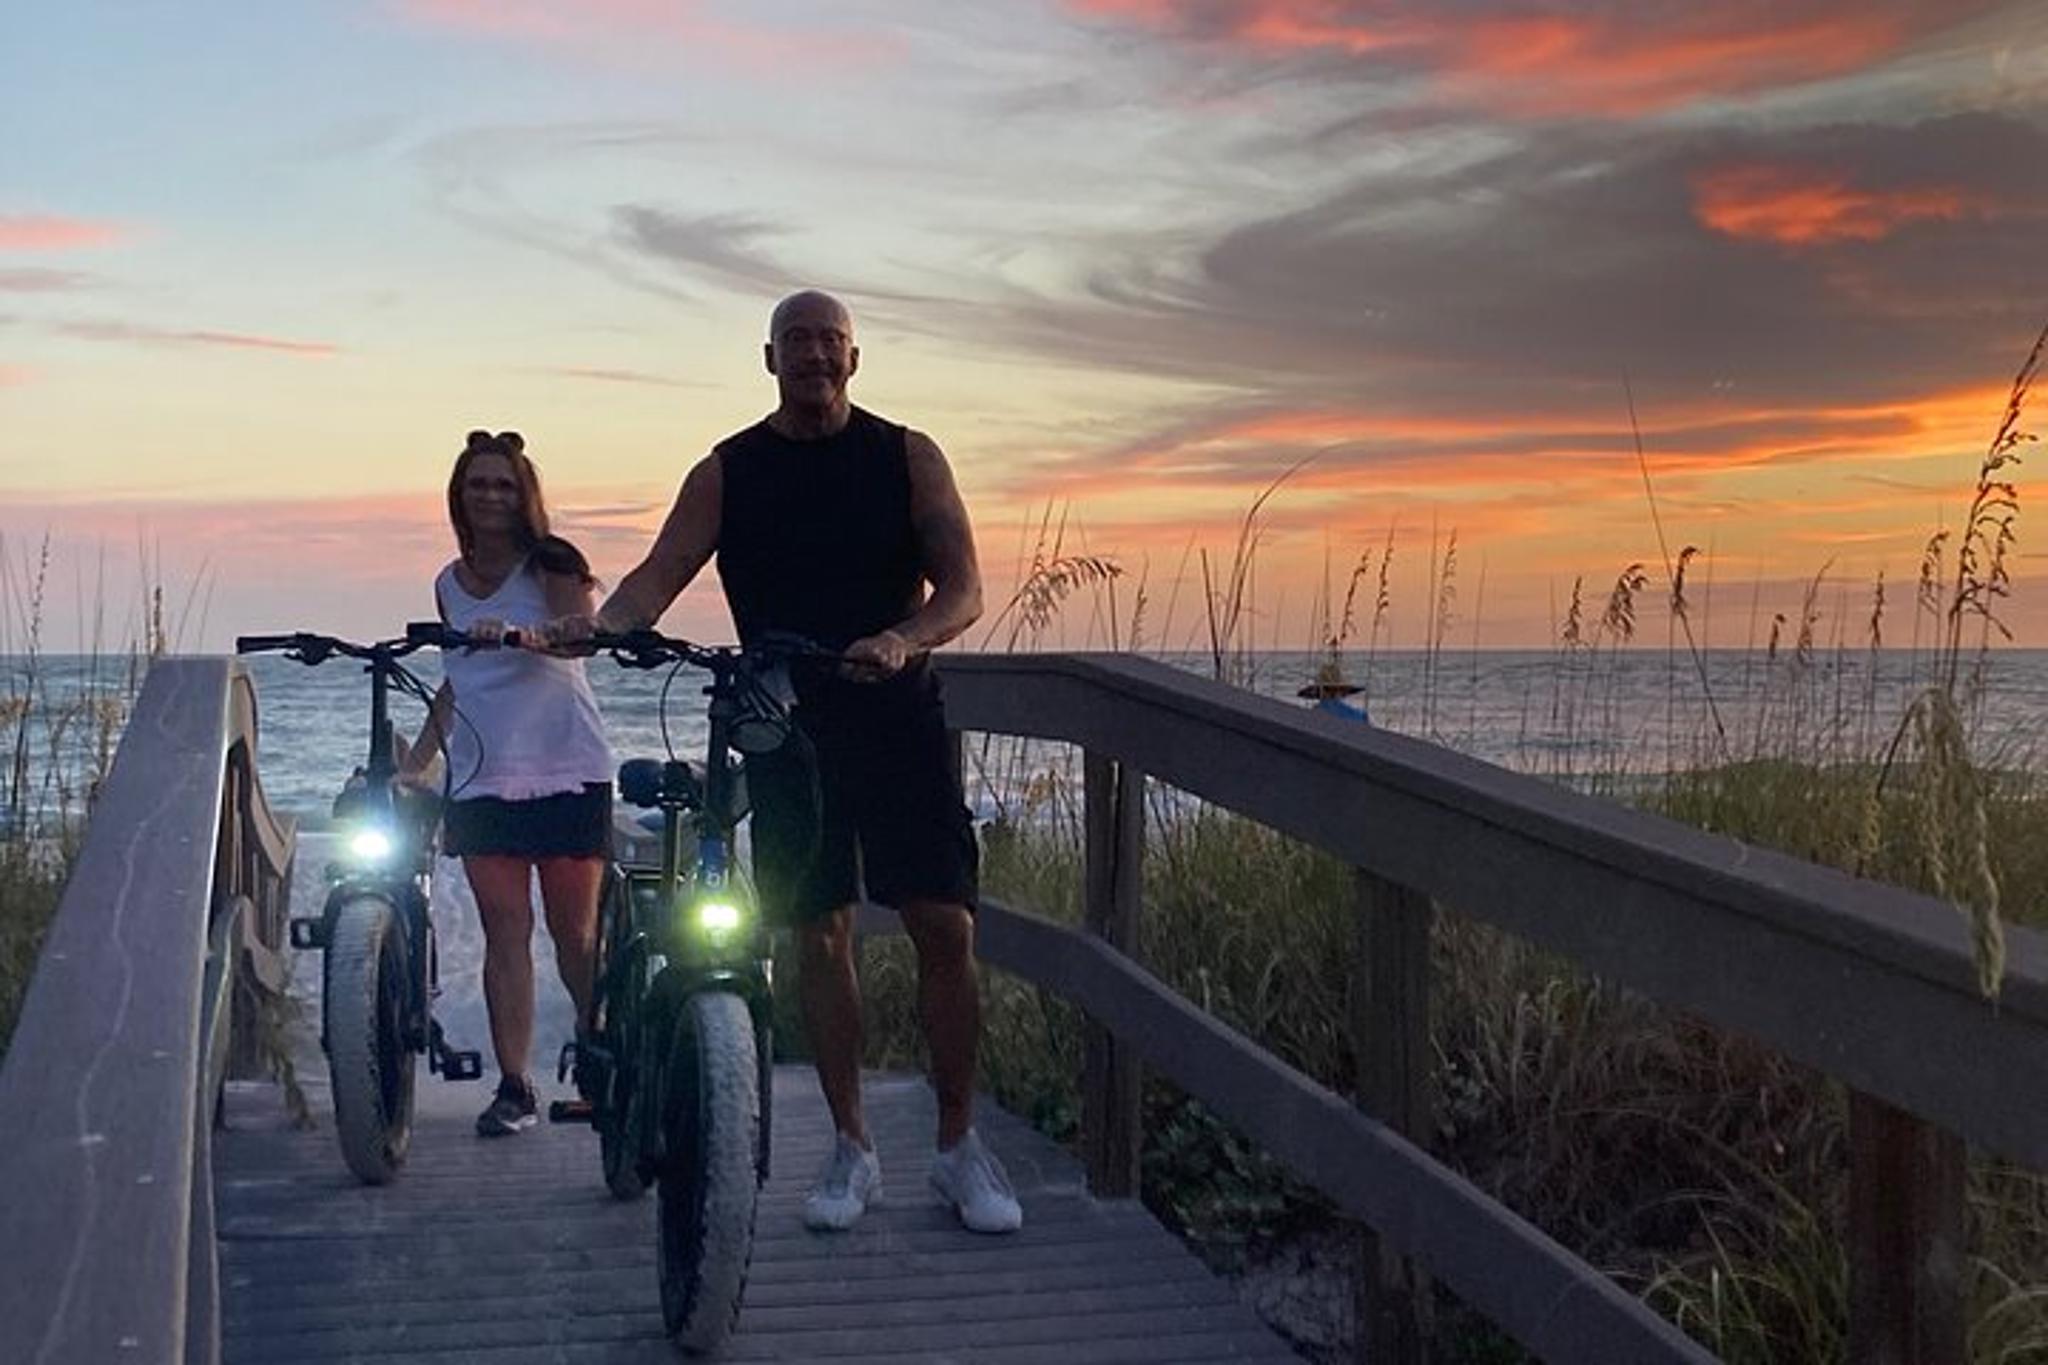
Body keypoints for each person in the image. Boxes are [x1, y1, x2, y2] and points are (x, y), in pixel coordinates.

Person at [542, 290, 1021, 1234]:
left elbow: (963, 586)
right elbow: (655, 577)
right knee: (818, 932)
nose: (813, 355)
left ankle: (959, 1145)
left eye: (829, 341)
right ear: (768, 359)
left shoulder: (907, 454)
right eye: (796, 341)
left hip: (897, 712)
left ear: (854, 358)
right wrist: (599, 628)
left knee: (944, 928)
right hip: (781, 721)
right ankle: (852, 1146)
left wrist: (904, 634)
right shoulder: (729, 470)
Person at [403, 429, 616, 1137]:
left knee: (574, 934)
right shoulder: (446, 582)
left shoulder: (551, 561)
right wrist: (421, 759)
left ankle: (601, 1059)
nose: (490, 495)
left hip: (564, 765)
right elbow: (457, 677)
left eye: (503, 484)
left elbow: (586, 633)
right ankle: (515, 1083)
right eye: (477, 484)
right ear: (458, 496)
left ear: (524, 493)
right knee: (505, 932)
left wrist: (536, 635)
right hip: (484, 775)